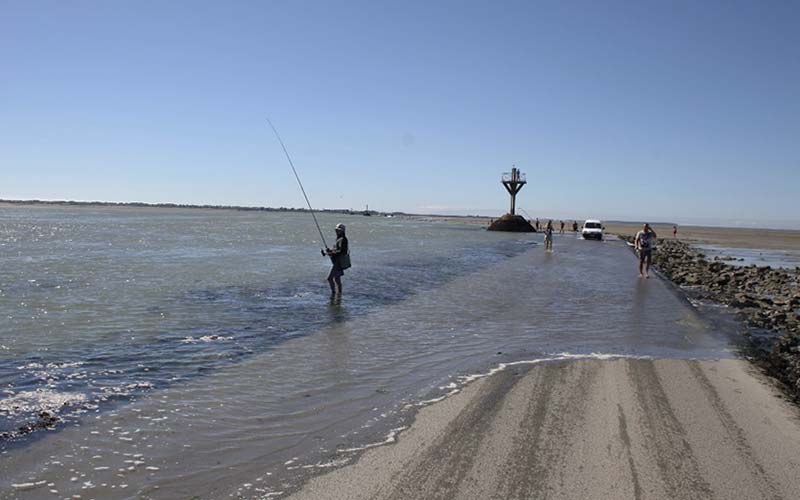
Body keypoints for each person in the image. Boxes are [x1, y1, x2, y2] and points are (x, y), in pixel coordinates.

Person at [325, 223, 349, 295]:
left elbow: (342, 251)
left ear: (343, 231)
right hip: (337, 262)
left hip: (339, 263)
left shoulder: (343, 239)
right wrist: (330, 251)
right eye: (336, 230)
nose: (337, 231)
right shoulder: (339, 239)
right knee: (337, 279)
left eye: (339, 230)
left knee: (329, 279)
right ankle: (339, 295)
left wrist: (330, 253)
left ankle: (333, 294)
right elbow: (337, 250)